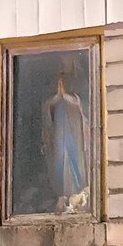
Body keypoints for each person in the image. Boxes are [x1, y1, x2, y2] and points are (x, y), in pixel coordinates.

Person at [42, 76, 89, 212]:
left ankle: (79, 193)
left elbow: (85, 105)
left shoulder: (80, 80)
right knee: (60, 160)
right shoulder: (52, 94)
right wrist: (57, 98)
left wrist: (70, 98)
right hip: (59, 132)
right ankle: (62, 195)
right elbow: (46, 108)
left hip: (74, 132)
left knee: (75, 160)